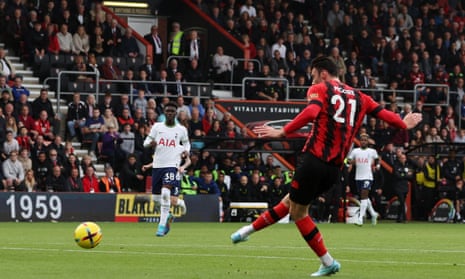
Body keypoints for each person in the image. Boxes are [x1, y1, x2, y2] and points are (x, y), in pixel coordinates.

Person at [230, 56, 422, 277]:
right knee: (291, 202)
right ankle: (246, 231)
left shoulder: (321, 89)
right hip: (334, 169)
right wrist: (404, 123)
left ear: (322, 73)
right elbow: (389, 117)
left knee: (299, 212)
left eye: (312, 76)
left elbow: (311, 113)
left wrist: (283, 131)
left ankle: (328, 261)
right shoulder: (361, 97)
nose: (311, 81)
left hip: (314, 160)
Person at [143, 102, 191, 237]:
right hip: (158, 166)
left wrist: (186, 151)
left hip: (172, 165)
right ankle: (170, 214)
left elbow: (187, 143)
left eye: (172, 111)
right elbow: (146, 142)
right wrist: (150, 144)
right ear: (164, 113)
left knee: (165, 193)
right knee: (156, 199)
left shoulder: (181, 130)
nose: (170, 113)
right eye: (167, 111)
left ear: (175, 113)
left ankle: (161, 226)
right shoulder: (157, 127)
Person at [346, 133, 380, 226]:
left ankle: (360, 218)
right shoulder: (355, 151)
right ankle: (373, 214)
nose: (363, 141)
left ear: (368, 141)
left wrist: (377, 166)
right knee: (364, 197)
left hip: (368, 177)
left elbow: (377, 159)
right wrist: (351, 162)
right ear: (360, 141)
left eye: (365, 140)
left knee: (363, 197)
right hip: (358, 177)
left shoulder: (372, 151)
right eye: (362, 140)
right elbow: (347, 161)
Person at [392, 153, 414, 223]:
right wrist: (405, 174)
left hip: (405, 186)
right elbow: (397, 175)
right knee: (401, 201)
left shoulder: (408, 166)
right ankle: (404, 218)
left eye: (404, 158)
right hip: (398, 186)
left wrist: (403, 174)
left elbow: (410, 176)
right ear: (399, 159)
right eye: (402, 158)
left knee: (402, 202)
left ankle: (399, 218)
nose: (403, 159)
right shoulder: (396, 166)